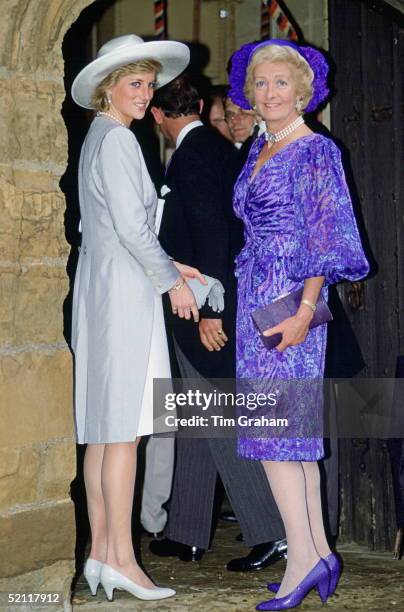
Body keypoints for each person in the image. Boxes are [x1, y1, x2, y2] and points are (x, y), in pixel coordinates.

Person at [228, 39, 369, 610]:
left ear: (303, 90)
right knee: (288, 441)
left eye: (281, 82)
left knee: (278, 439)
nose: (269, 93)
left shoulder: (314, 151)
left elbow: (326, 237)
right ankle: (314, 555)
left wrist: (307, 311)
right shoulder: (261, 145)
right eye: (261, 83)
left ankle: (303, 564)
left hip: (290, 301)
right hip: (253, 296)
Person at [70, 34, 206, 602]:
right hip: (125, 298)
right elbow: (130, 228)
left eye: (149, 84)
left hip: (101, 293)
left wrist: (174, 263)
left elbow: (111, 228)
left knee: (104, 435)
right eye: (134, 83)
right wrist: (172, 282)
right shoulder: (120, 140)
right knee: (124, 434)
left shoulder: (98, 136)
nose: (144, 92)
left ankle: (102, 554)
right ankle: (123, 559)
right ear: (108, 87)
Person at [149, 75, 288, 570]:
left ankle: (272, 530)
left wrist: (212, 311)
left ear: (158, 115)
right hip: (202, 304)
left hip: (202, 308)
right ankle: (186, 531)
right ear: (202, 106)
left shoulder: (194, 155)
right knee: (196, 417)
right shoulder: (216, 148)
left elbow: (213, 236)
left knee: (218, 416)